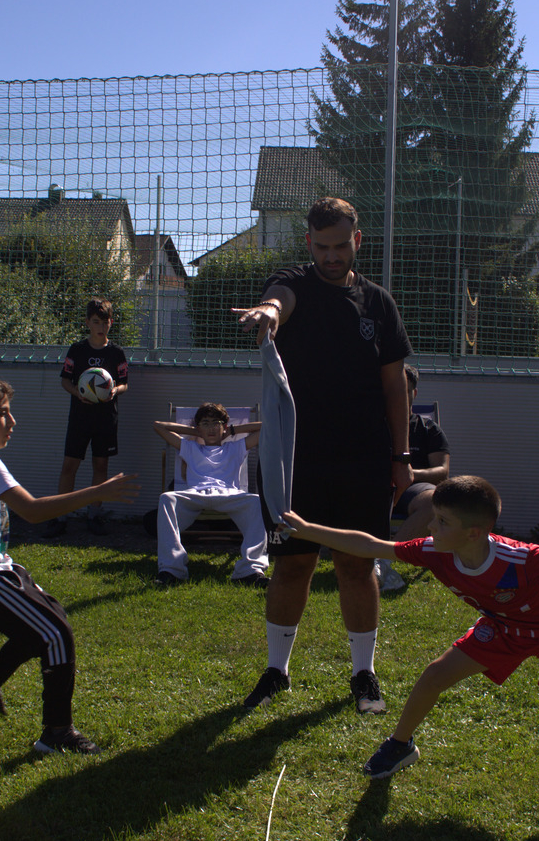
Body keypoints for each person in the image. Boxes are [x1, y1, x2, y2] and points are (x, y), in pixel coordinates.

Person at [281, 475, 539, 798]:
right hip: (501, 627)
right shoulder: (434, 550)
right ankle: (400, 745)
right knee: (434, 676)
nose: (431, 526)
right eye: (434, 517)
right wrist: (309, 530)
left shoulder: (521, 559)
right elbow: (372, 545)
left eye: (442, 521)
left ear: (474, 533)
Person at [232, 196, 413, 714]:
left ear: (358, 240)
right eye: (321, 246)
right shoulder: (295, 282)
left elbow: (394, 386)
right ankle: (276, 671)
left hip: (364, 459)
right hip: (297, 461)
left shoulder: (378, 303)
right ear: (309, 242)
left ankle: (364, 675)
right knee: (293, 566)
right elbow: (280, 300)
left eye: (341, 246)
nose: (331, 256)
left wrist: (401, 457)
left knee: (358, 566)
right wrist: (269, 312)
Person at [0, 374, 138, 755]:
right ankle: (57, 732)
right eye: (3, 414)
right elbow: (34, 512)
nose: (12, 421)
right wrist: (99, 492)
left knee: (46, 621)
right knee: (55, 633)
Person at [151, 403, 270, 589]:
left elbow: (268, 426)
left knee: (256, 501)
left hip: (229, 494)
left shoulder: (236, 447)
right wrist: (195, 431)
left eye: (216, 423)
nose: (211, 428)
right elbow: (158, 426)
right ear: (198, 428)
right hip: (196, 494)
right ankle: (171, 569)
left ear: (224, 426)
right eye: (205, 423)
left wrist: (232, 431)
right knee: (167, 498)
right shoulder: (190, 447)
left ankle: (250, 570)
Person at [44, 297, 128, 538]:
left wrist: (114, 391)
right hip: (80, 418)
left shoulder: (116, 353)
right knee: (69, 466)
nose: (101, 326)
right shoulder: (77, 350)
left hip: (106, 418)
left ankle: (94, 515)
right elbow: (65, 381)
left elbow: (124, 384)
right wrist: (77, 393)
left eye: (105, 322)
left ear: (111, 323)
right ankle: (60, 517)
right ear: (88, 322)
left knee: (101, 465)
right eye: (96, 321)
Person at [376, 364, 451, 593]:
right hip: (375, 487)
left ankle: (384, 561)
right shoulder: (373, 426)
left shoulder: (428, 429)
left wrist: (406, 473)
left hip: (414, 490)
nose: (397, 396)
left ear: (414, 393)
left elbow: (442, 471)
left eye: (404, 391)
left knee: (435, 501)